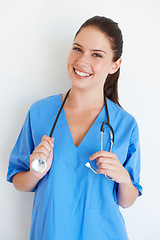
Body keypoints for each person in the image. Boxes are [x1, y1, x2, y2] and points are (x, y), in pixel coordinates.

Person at [7, 16, 143, 240]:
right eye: (77, 49)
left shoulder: (124, 124)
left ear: (114, 65)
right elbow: (19, 182)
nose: (81, 60)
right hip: (51, 232)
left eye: (96, 54)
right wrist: (35, 172)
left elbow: (126, 201)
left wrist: (123, 178)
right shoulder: (40, 113)